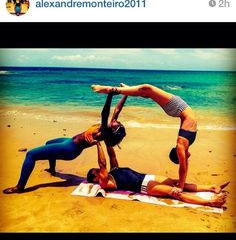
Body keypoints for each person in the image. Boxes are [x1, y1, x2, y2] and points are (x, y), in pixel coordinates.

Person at [3, 93, 128, 194]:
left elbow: (104, 113)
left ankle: (20, 187)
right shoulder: (110, 126)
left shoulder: (104, 132)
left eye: (117, 124)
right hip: (69, 141)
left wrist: (110, 96)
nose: (116, 121)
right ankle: (52, 170)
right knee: (48, 143)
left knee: (31, 155)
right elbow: (117, 110)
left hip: (70, 149)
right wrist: (125, 93)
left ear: (112, 130)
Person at [91, 83, 197, 193]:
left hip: (179, 110)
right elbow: (183, 166)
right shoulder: (183, 144)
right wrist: (181, 184)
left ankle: (113, 89)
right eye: (117, 124)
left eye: (117, 123)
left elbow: (115, 110)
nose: (116, 121)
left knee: (147, 91)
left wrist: (120, 95)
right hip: (179, 109)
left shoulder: (184, 143)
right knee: (147, 90)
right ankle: (118, 89)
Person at [87, 141, 229, 208]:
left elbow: (111, 154)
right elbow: (102, 164)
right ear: (95, 178)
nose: (97, 170)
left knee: (178, 183)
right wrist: (97, 144)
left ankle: (212, 188)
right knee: (176, 193)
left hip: (147, 177)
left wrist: (106, 138)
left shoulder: (113, 170)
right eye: (95, 172)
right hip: (144, 186)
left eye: (96, 169)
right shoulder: (105, 182)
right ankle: (211, 202)